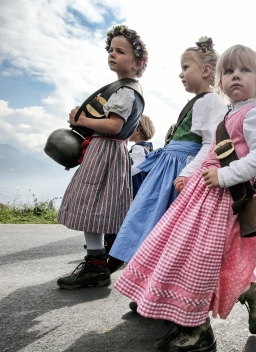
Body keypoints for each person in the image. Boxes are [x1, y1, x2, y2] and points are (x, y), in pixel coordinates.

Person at [114, 44, 256, 351]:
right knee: (192, 257)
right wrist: (192, 174)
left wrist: (224, 176)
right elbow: (210, 150)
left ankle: (197, 331)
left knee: (198, 260)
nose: (235, 76)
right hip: (203, 195)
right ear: (220, 80)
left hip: (224, 198)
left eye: (245, 70)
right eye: (229, 71)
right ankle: (251, 293)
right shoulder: (229, 114)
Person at [108, 37, 227, 267]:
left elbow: (209, 144)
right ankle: (137, 274)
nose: (181, 74)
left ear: (206, 70)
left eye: (185, 67)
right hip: (169, 166)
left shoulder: (209, 101)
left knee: (158, 223)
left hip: (179, 168)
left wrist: (187, 173)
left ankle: (140, 274)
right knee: (148, 218)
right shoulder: (200, 101)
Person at [56, 25, 148, 289]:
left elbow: (114, 126)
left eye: (120, 51)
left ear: (137, 62)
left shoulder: (126, 91)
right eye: (111, 50)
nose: (112, 54)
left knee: (92, 202)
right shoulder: (124, 89)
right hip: (107, 151)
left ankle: (98, 263)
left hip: (106, 150)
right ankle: (103, 257)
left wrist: (81, 119)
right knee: (100, 204)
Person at [129, 114, 155, 198]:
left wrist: (122, 174)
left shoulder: (138, 147)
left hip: (135, 190)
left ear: (138, 130)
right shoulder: (148, 149)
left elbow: (139, 165)